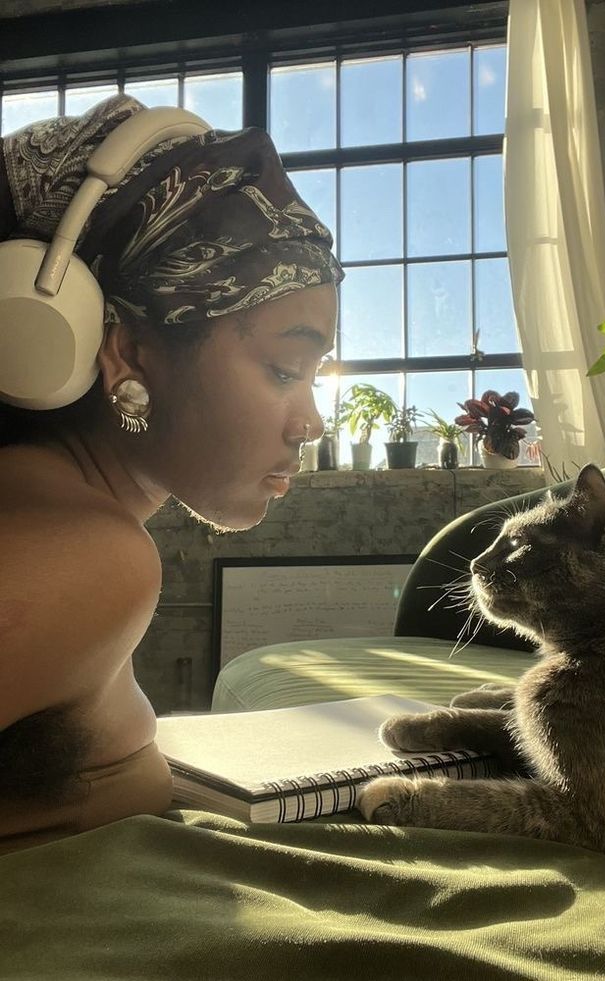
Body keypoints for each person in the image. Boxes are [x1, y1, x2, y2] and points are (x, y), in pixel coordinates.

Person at [0, 94, 343, 854]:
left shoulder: (69, 517)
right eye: (286, 369)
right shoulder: (94, 556)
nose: (311, 422)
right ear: (126, 355)